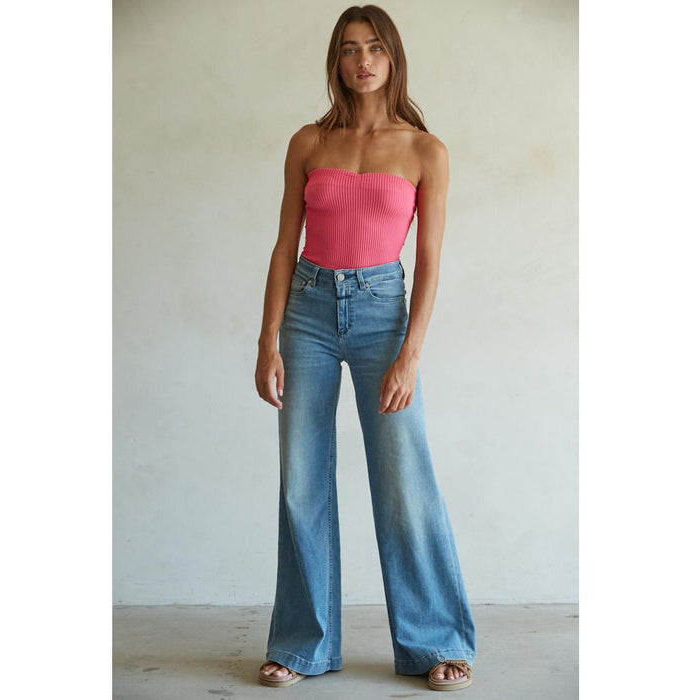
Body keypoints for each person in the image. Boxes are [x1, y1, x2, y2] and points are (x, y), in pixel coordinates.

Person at [254, 4, 476, 692]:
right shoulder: (308, 142)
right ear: (336, 61)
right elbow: (284, 246)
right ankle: (303, 644)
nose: (362, 61)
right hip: (308, 312)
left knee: (404, 479)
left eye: (375, 47)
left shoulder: (425, 150)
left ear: (393, 57)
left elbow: (430, 262)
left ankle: (436, 641)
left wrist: (410, 353)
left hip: (383, 313)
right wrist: (267, 339)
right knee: (303, 481)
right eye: (349, 49)